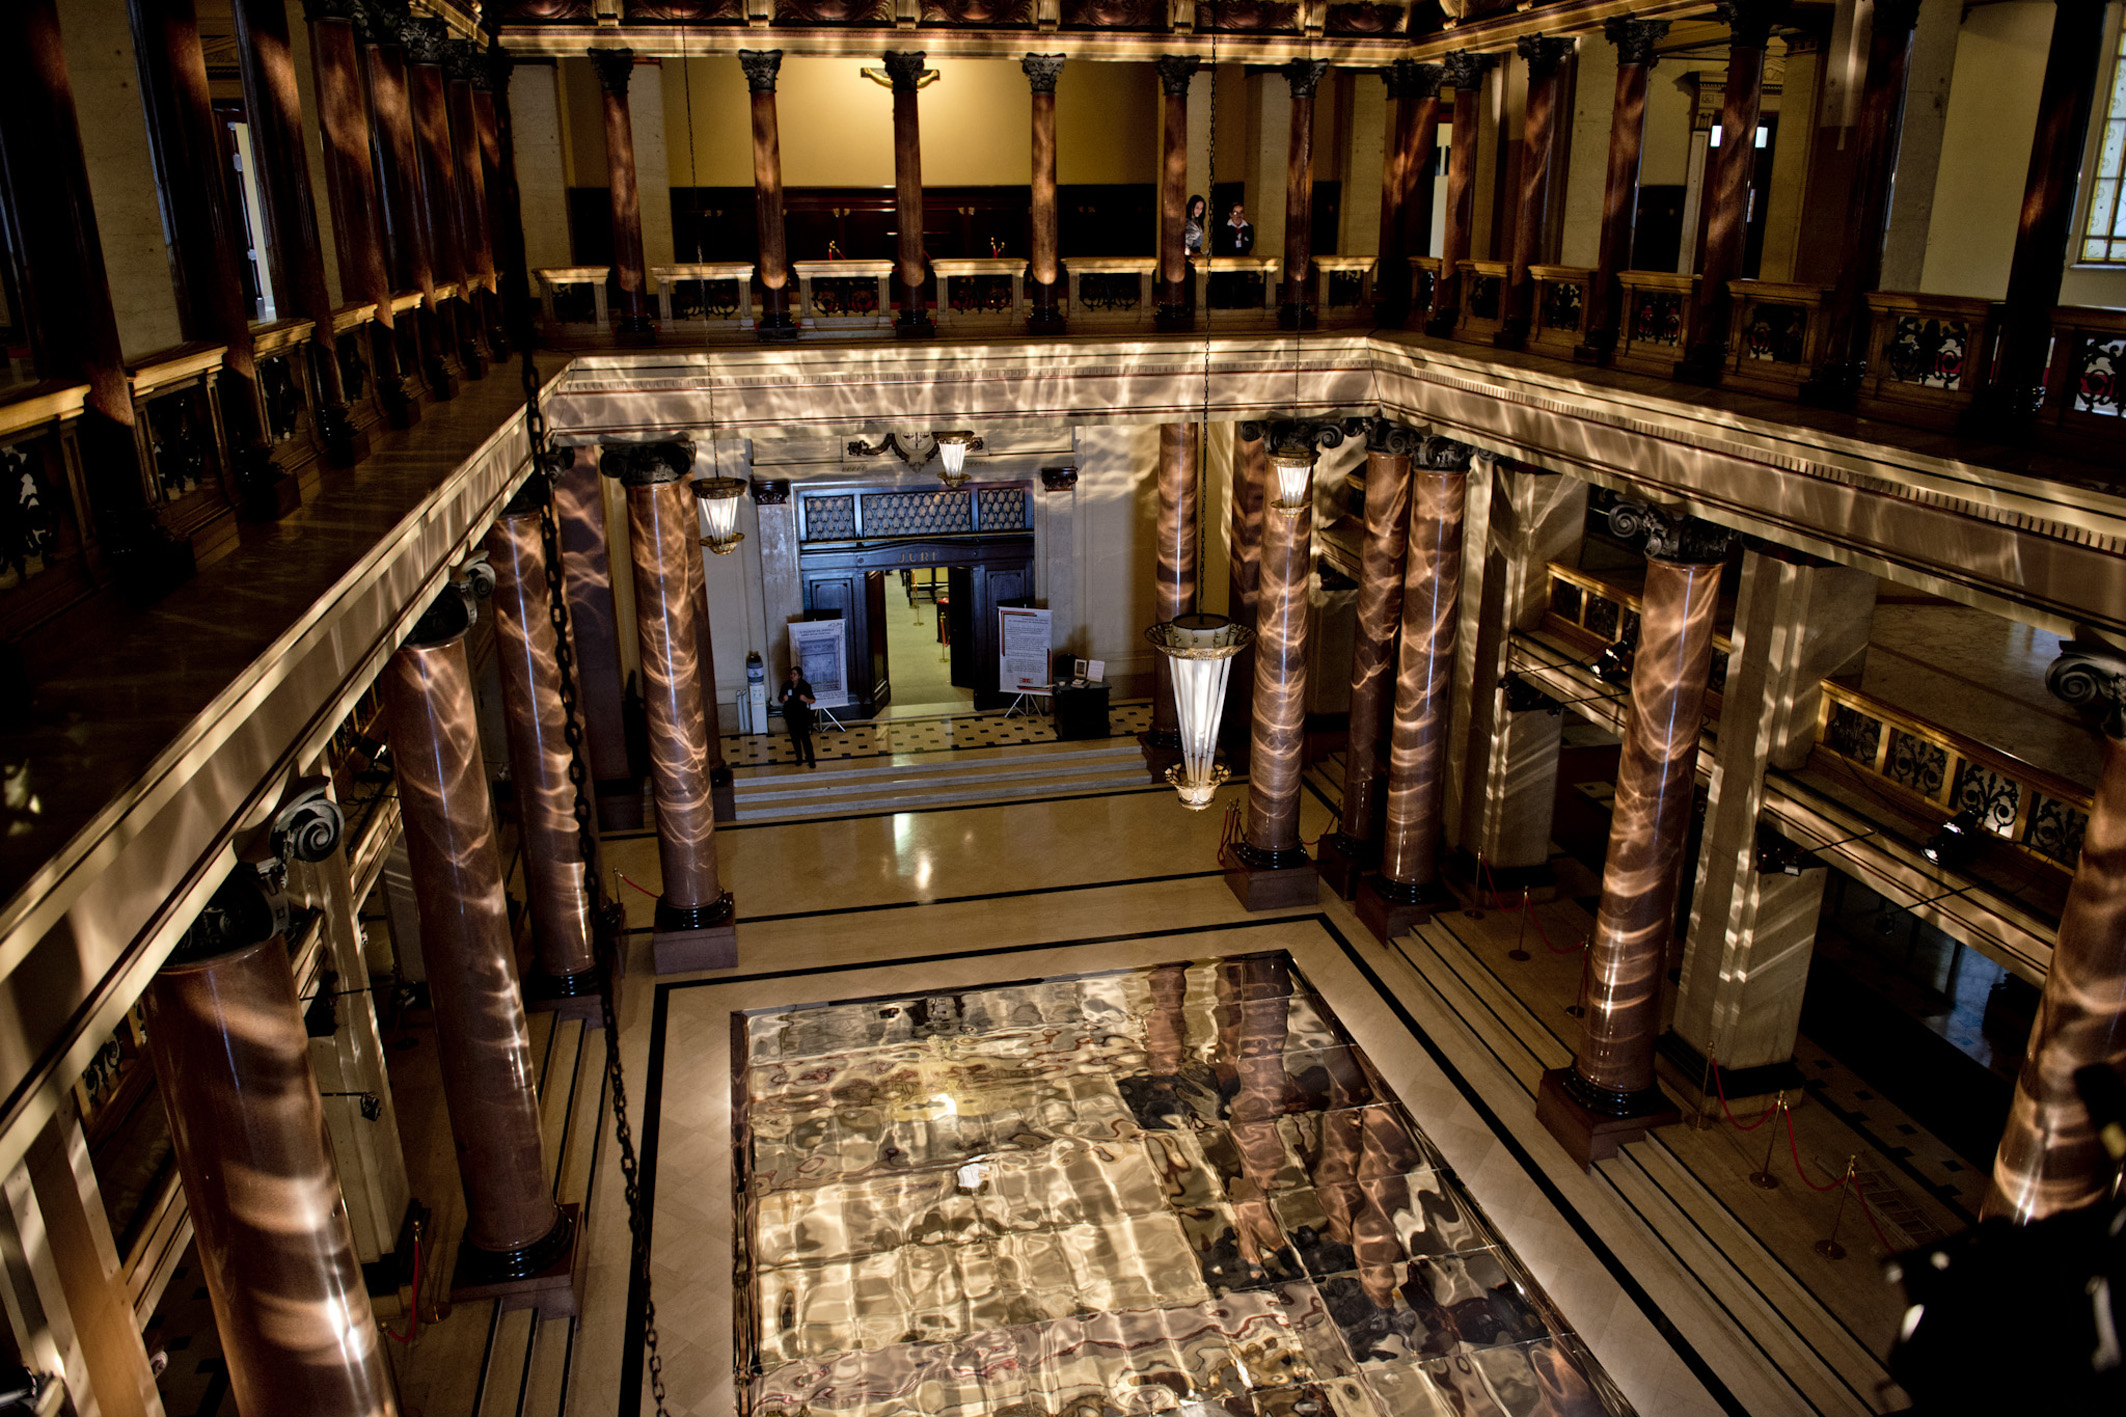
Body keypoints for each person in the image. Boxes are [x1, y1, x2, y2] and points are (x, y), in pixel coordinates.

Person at [779, 663, 817, 767]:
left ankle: (811, 760)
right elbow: (780, 699)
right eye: (791, 674)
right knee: (795, 739)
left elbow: (813, 700)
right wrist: (783, 699)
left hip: (802, 716)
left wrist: (805, 699)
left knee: (805, 739)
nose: (792, 676)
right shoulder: (786, 686)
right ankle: (799, 758)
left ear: (799, 676)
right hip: (790, 716)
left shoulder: (805, 686)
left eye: (794, 674)